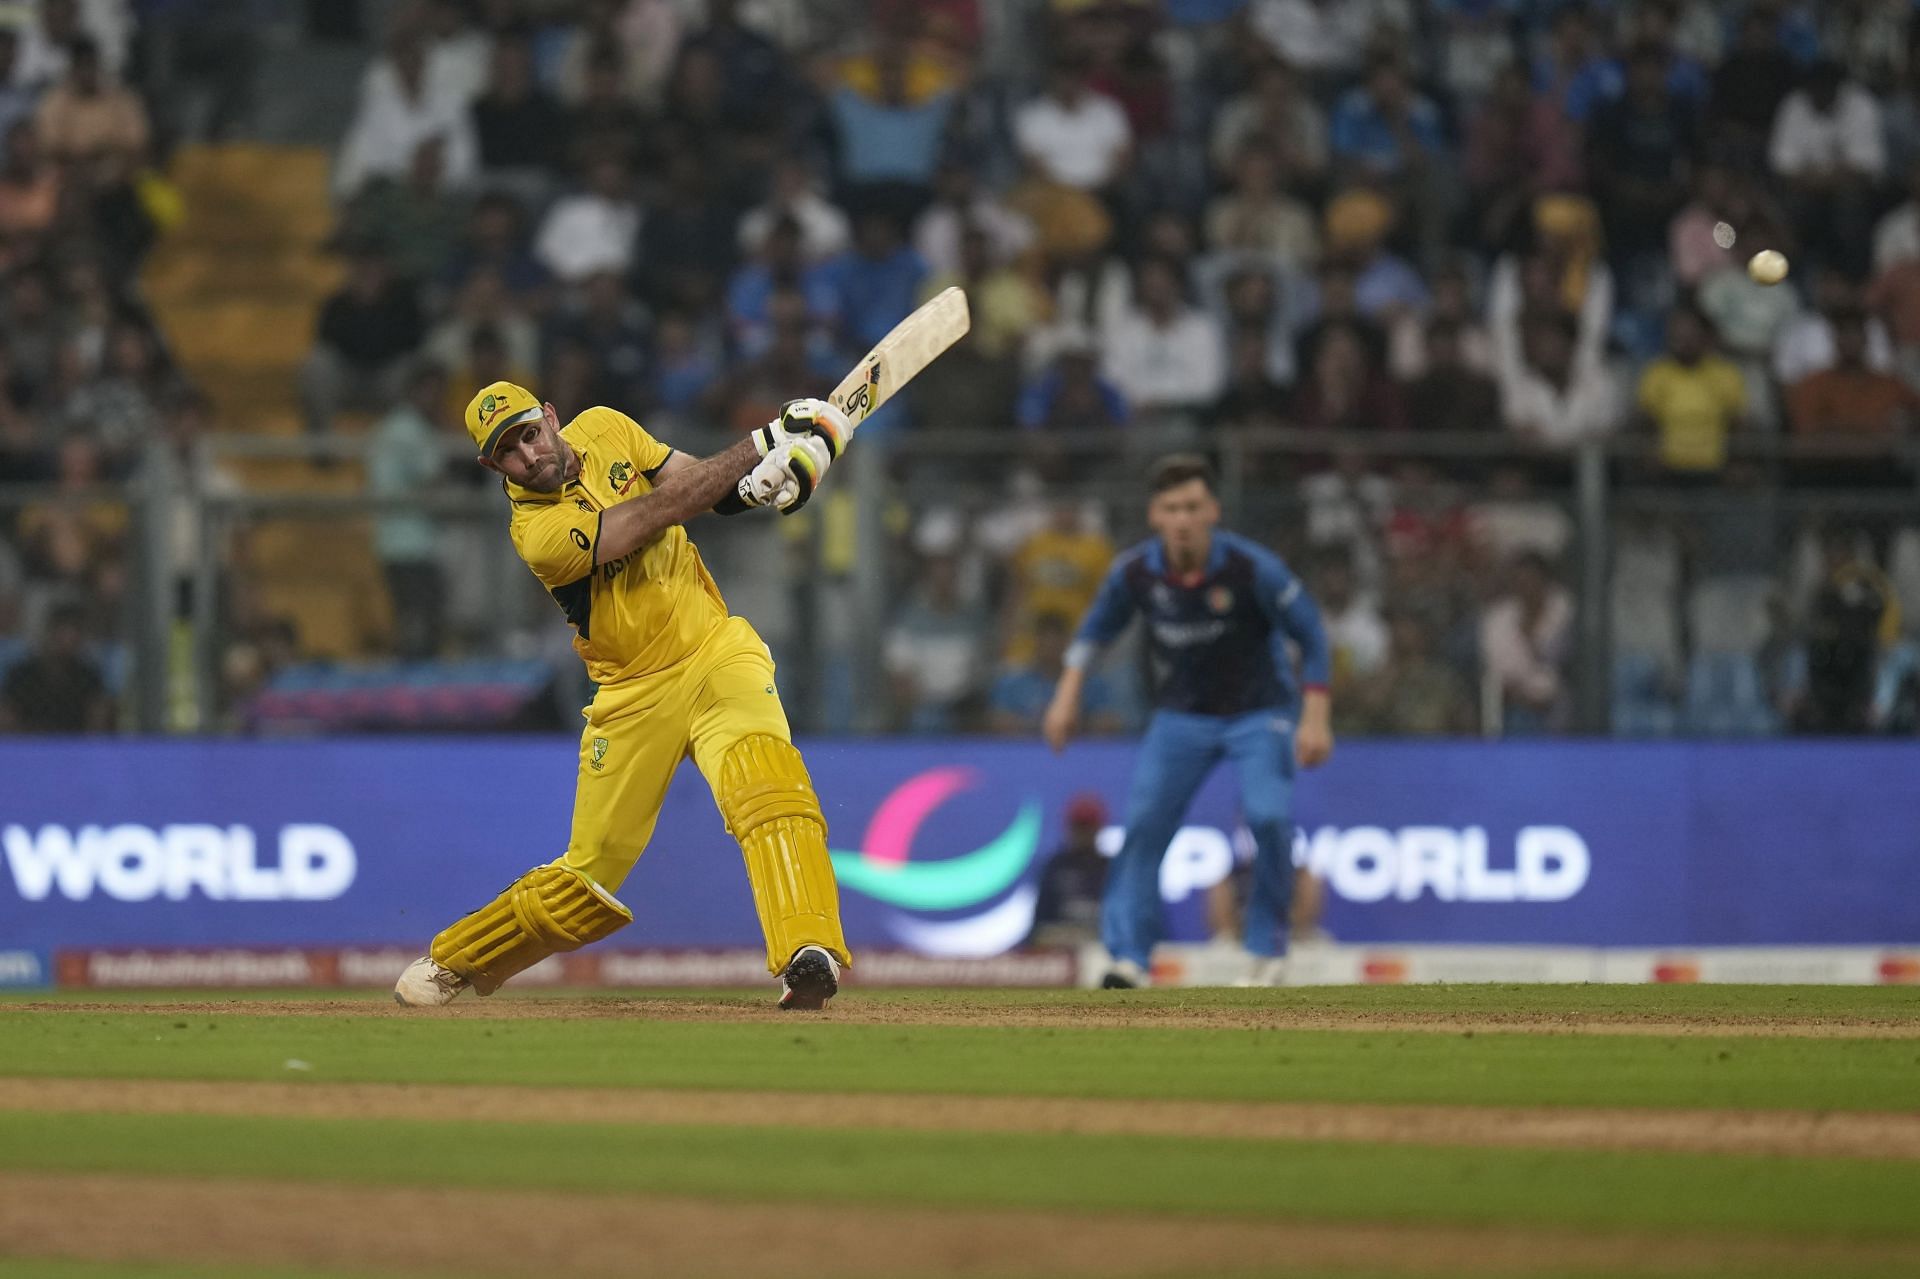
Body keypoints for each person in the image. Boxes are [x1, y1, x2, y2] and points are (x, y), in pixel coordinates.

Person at [393, 385, 853, 1011]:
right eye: (508, 452)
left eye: (529, 433)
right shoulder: (538, 532)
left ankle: (809, 952)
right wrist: (765, 442)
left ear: (550, 418)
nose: (528, 455)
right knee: (588, 876)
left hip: (717, 651)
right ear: (491, 467)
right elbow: (654, 515)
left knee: (768, 788)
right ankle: (455, 960)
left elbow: (699, 485)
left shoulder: (608, 425)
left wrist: (765, 484)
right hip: (632, 694)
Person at [1043, 455, 1333, 988]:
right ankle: (1129, 959)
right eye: (1172, 508)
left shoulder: (1251, 568)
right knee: (1143, 829)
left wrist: (1315, 717)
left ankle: (1267, 950)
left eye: (1193, 507)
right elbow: (1094, 633)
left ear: (1213, 512)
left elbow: (1311, 633)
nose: (1182, 519)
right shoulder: (1136, 572)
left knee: (1269, 819)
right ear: (1155, 515)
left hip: (1259, 712)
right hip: (1182, 718)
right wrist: (1067, 696)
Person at [0, 602, 112, 733]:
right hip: (29, 746)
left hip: (77, 747)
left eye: (74, 633)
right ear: (49, 633)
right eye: (62, 633)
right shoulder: (21, 674)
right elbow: (7, 719)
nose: (68, 640)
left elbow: (97, 723)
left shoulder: (89, 676)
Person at [1024, 793, 1111, 948]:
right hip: (1060, 947)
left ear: (1098, 828)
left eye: (1088, 826)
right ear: (1069, 827)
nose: (1084, 833)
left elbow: (1121, 923)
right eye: (1079, 826)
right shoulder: (1055, 869)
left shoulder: (1111, 870)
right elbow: (1040, 925)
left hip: (1100, 947)